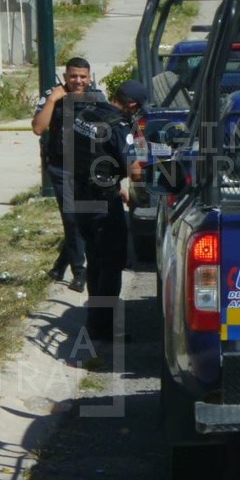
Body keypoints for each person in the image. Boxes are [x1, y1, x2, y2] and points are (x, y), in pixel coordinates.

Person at [65, 79, 148, 343]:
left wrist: (113, 184)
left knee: (95, 260)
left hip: (81, 197)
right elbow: (133, 170)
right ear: (132, 104)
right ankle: (105, 328)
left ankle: (94, 321)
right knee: (111, 264)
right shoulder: (119, 126)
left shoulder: (87, 113)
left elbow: (90, 156)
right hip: (102, 203)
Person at [32, 57, 105, 293]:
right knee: (72, 217)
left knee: (82, 220)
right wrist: (53, 99)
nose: (78, 81)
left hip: (89, 168)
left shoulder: (97, 98)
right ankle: (80, 272)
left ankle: (59, 264)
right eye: (73, 76)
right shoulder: (51, 96)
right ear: (65, 77)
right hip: (61, 167)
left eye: (83, 76)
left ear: (89, 77)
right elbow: (38, 128)